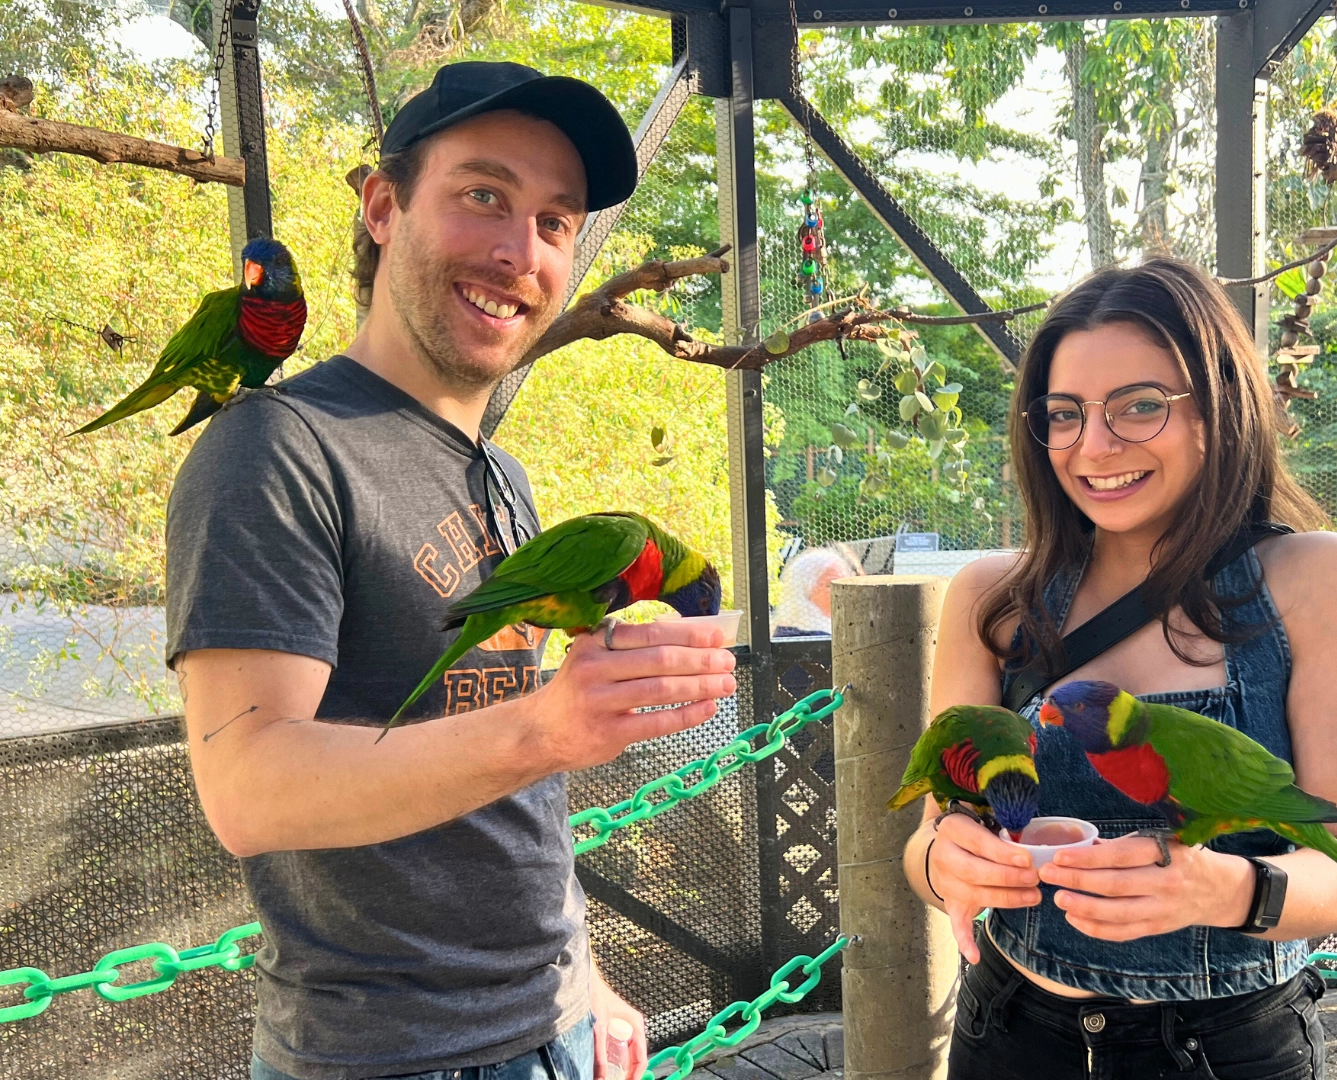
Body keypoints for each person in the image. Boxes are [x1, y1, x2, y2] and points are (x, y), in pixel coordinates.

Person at [166, 62, 738, 1080]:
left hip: (551, 1027)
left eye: (556, 222)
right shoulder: (276, 447)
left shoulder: (496, 471)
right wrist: (551, 724)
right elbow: (246, 789)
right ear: (383, 208)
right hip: (390, 1057)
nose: (520, 250)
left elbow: (514, 802)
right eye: (483, 196)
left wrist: (582, 973)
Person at [901, 259, 1337, 1079]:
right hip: (1010, 1034)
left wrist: (1224, 890)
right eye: (1064, 415)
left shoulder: (1318, 580)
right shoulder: (991, 599)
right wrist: (948, 862)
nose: (1093, 447)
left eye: (1140, 406)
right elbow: (927, 842)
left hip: (1223, 1051)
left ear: (1219, 406)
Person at [771, 544, 862, 636]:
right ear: (806, 589)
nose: (843, 591)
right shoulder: (795, 636)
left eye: (844, 584)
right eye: (830, 585)